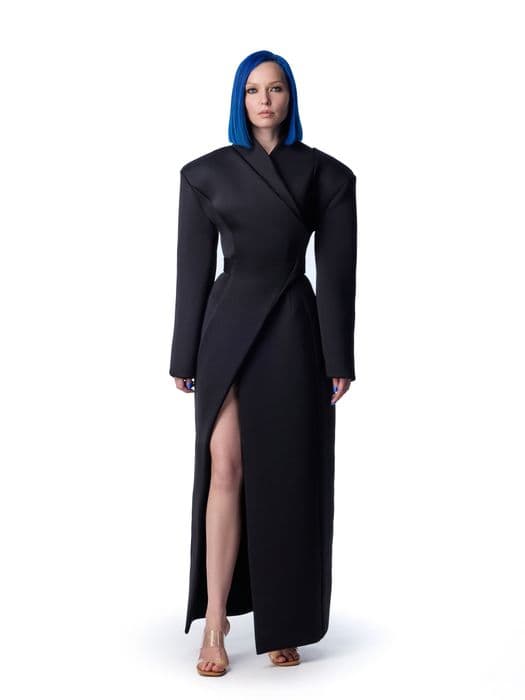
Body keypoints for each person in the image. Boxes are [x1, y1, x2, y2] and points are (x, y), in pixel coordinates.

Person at [169, 50, 357, 676]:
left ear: (290, 97)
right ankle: (215, 622)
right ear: (239, 99)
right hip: (226, 332)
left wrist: (339, 356)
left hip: (293, 330)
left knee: (287, 474)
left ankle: (285, 621)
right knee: (225, 467)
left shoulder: (325, 174)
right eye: (253, 90)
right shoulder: (205, 173)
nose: (265, 100)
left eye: (275, 89)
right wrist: (183, 353)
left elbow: (337, 275)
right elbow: (192, 272)